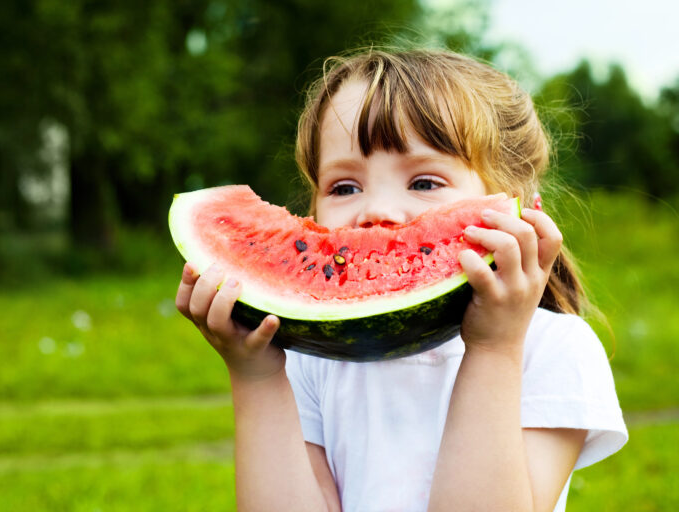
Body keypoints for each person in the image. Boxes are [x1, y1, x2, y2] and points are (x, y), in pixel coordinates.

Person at [175, 48, 627, 512]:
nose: (377, 211)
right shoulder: (312, 361)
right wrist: (257, 377)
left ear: (516, 207)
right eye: (344, 187)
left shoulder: (554, 350)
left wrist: (495, 347)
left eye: (425, 182)